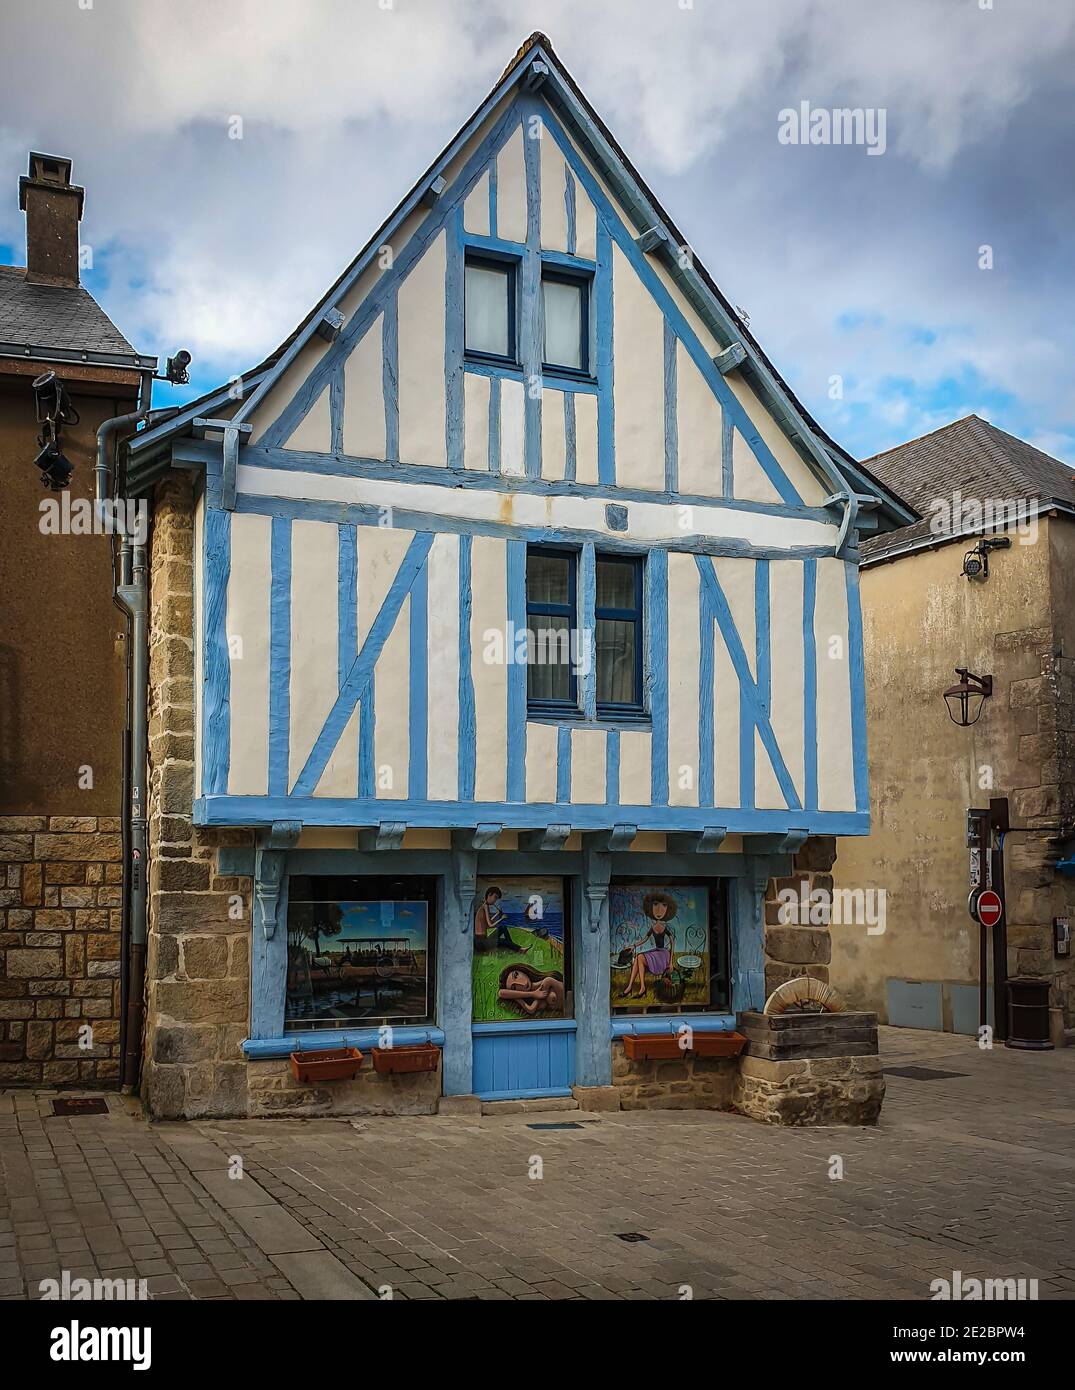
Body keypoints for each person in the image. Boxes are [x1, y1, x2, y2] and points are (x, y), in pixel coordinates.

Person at [621, 892, 677, 998]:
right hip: (656, 951)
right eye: (655, 905)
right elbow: (645, 939)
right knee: (638, 959)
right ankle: (631, 987)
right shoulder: (653, 926)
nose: (659, 910)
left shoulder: (664, 927)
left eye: (664, 906)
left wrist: (671, 962)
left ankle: (641, 988)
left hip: (663, 955)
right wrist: (634, 946)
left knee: (640, 957)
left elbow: (672, 942)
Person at [475, 886, 529, 953]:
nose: (495, 900)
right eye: (495, 897)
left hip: (482, 941)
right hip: (481, 942)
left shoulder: (484, 906)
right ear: (489, 895)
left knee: (503, 927)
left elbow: (486, 925)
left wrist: (497, 914)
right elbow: (490, 925)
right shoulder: (485, 907)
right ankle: (520, 950)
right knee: (502, 940)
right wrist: (501, 918)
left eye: (496, 898)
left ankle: (513, 948)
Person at [497, 964, 564, 1016]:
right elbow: (501, 993)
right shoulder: (535, 996)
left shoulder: (547, 981)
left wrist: (518, 998)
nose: (521, 984)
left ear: (521, 970)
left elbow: (531, 1009)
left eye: (516, 975)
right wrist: (532, 994)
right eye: (514, 988)